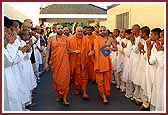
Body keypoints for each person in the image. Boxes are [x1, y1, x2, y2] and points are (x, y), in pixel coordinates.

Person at [45, 25, 70, 105]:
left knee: (65, 80)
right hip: (55, 62)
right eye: (58, 28)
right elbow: (48, 50)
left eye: (61, 28)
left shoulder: (66, 39)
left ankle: (65, 97)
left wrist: (75, 51)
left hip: (65, 62)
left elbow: (68, 50)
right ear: (55, 30)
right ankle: (59, 95)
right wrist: (46, 62)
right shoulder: (51, 38)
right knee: (57, 79)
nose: (60, 30)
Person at [92, 26, 112, 104]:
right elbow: (95, 50)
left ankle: (106, 93)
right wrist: (92, 53)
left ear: (106, 31)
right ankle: (103, 95)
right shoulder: (96, 40)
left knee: (107, 80)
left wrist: (110, 49)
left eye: (104, 30)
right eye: (100, 31)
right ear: (99, 32)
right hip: (99, 63)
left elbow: (115, 48)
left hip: (107, 62)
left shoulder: (110, 39)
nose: (102, 32)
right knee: (100, 81)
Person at [69, 26, 90, 99]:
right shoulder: (70, 39)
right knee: (76, 76)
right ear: (75, 31)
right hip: (74, 61)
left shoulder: (86, 39)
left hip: (84, 61)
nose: (80, 33)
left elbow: (89, 49)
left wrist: (90, 52)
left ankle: (84, 91)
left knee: (84, 76)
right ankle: (77, 88)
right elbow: (67, 50)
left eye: (81, 31)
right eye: (78, 31)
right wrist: (74, 51)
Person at [146, 28, 162, 110]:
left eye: (151, 34)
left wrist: (148, 48)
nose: (150, 36)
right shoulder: (154, 44)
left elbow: (151, 61)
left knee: (154, 91)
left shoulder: (157, 46)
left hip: (155, 71)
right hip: (153, 71)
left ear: (156, 35)